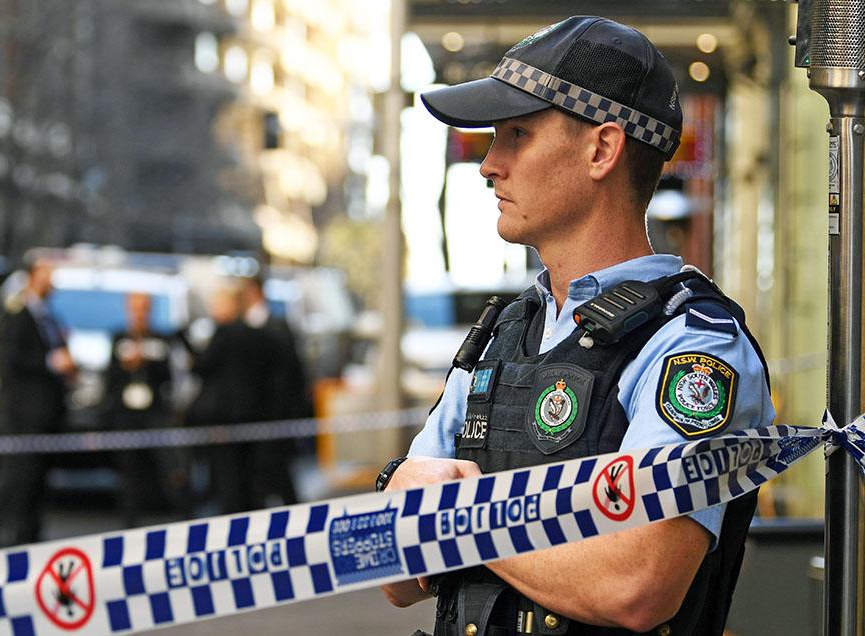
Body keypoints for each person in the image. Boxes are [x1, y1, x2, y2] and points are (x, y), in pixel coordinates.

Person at [377, 16, 773, 636]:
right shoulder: (504, 334)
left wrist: (460, 518)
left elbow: (636, 583)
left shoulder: (692, 346)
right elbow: (396, 576)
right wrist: (407, 492)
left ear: (602, 150)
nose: (489, 165)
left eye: (517, 134)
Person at [0, 252, 75, 548]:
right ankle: (0, 532)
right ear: (32, 276)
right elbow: (9, 360)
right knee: (17, 473)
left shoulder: (48, 316)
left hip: (46, 412)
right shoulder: (18, 313)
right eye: (47, 274)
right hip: (23, 413)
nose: (52, 281)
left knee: (36, 477)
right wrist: (51, 362)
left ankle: (29, 535)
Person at [187, 282, 274, 514]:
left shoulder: (224, 334)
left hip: (224, 418)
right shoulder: (257, 334)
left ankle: (233, 520)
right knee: (249, 474)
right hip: (252, 415)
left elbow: (202, 367)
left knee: (228, 476)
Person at [104, 292, 174, 527]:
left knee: (167, 467)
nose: (139, 313)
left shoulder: (160, 339)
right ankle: (130, 523)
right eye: (135, 307)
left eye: (144, 307)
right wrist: (126, 365)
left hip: (154, 414)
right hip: (126, 415)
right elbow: (109, 378)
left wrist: (147, 362)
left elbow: (168, 377)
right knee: (129, 472)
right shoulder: (118, 337)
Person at [242, 274, 310, 505]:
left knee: (278, 469)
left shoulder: (276, 325)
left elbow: (290, 371)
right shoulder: (244, 324)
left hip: (275, 412)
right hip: (253, 413)